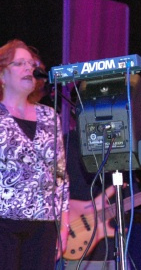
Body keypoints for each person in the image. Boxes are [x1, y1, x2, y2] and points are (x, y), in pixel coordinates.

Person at [0, 39, 69, 268]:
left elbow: (61, 176)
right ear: (2, 75)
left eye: (31, 64)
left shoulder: (50, 117)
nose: (28, 69)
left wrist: (64, 224)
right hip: (3, 224)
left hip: (43, 225)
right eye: (19, 63)